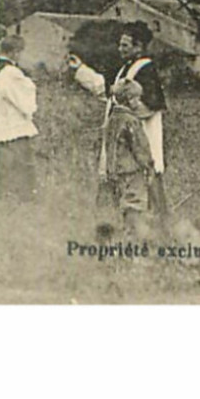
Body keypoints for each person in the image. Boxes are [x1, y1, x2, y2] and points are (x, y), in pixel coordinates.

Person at [70, 22, 168, 223]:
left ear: (138, 46)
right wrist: (80, 69)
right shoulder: (126, 68)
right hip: (122, 137)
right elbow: (106, 90)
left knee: (139, 182)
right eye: (120, 45)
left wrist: (128, 104)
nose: (120, 49)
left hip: (139, 138)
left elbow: (151, 104)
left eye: (125, 45)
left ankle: (147, 229)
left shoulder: (146, 69)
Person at [0, 35, 39, 200]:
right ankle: (20, 197)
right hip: (12, 123)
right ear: (15, 53)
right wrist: (30, 103)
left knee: (1, 163)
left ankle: (3, 195)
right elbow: (23, 97)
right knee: (20, 163)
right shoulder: (11, 72)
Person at [97, 80, 157, 239]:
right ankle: (134, 237)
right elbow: (140, 147)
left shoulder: (112, 118)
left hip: (115, 170)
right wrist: (149, 165)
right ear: (130, 99)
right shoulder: (131, 120)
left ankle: (124, 232)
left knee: (122, 202)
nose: (139, 102)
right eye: (137, 98)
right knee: (134, 203)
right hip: (131, 170)